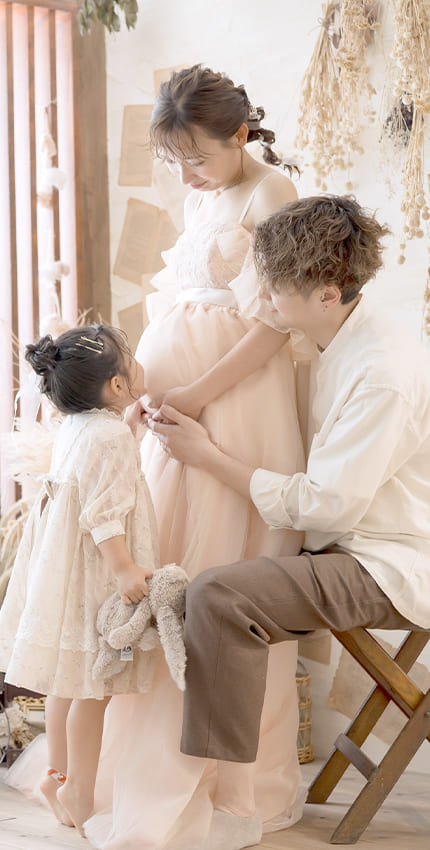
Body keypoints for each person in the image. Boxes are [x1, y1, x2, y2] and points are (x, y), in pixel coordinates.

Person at [147, 193, 430, 850]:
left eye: (274, 291)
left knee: (219, 595)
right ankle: (217, 785)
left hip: (386, 561)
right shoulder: (332, 338)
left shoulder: (381, 371)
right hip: (347, 544)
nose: (262, 302)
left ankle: (235, 802)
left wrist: (207, 456)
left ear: (328, 294)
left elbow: (328, 504)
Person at [81, 65, 307, 849]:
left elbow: (273, 324)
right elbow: (181, 306)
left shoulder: (273, 193)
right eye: (175, 161)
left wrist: (200, 397)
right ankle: (136, 761)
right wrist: (140, 390)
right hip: (177, 402)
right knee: (162, 568)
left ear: (240, 134)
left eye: (198, 159)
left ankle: (228, 781)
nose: (187, 176)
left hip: (235, 407)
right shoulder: (202, 191)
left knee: (217, 573)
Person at [0, 325, 160, 837]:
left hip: (67, 573)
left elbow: (90, 479)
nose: (138, 361)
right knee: (94, 692)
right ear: (116, 386)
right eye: (130, 357)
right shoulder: (110, 437)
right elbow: (104, 514)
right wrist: (125, 570)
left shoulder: (79, 425)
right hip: (98, 575)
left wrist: (128, 426)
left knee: (67, 684)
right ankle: (80, 791)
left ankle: (56, 775)